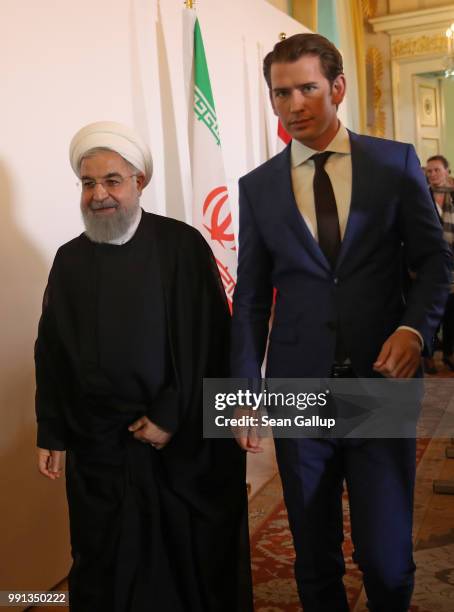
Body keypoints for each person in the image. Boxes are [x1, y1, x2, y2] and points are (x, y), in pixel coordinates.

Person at [231, 34, 450, 611]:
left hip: (379, 386)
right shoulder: (257, 189)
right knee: (314, 556)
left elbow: (434, 263)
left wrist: (412, 330)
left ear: (338, 88)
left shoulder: (394, 163)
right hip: (296, 389)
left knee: (387, 561)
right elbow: (251, 297)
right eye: (282, 93)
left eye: (307, 88)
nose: (295, 104)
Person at [35, 121, 252, 612]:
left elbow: (211, 337)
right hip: (99, 446)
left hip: (175, 442)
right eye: (88, 183)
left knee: (184, 562)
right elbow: (50, 351)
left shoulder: (181, 247)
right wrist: (51, 430)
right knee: (104, 562)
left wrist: (170, 414)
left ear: (139, 182)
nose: (99, 195)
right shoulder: (69, 260)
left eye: (112, 181)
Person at [426, 155, 454, 370]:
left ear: (447, 171)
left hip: (452, 260)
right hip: (430, 260)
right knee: (430, 309)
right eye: (429, 171)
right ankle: (428, 354)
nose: (433, 174)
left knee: (451, 311)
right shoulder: (422, 195)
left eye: (437, 170)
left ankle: (449, 353)